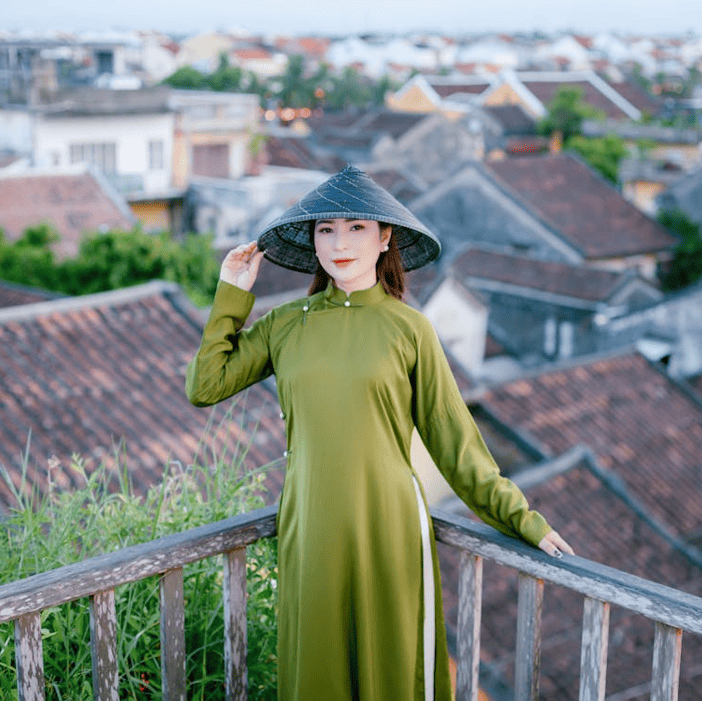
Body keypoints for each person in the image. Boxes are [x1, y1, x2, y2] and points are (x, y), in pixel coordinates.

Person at [185, 165, 573, 701]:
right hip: (310, 526)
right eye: (326, 230)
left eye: (356, 228)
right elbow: (206, 385)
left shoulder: (410, 329)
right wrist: (232, 294)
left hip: (389, 527)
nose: (339, 243)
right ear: (312, 240)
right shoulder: (284, 325)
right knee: (314, 675)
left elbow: (454, 443)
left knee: (393, 674)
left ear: (385, 238)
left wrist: (522, 519)